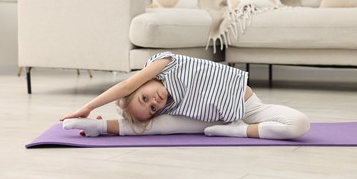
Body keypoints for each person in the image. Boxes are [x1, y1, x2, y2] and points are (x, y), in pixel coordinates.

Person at [61, 52, 310, 139]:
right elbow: (144, 119)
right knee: (155, 126)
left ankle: (238, 130)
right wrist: (105, 119)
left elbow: (125, 87)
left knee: (299, 124)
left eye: (144, 98)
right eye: (151, 108)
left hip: (247, 107)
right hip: (211, 121)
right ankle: (99, 128)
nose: (154, 103)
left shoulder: (163, 63)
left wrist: (88, 106)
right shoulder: (166, 106)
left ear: (140, 84)